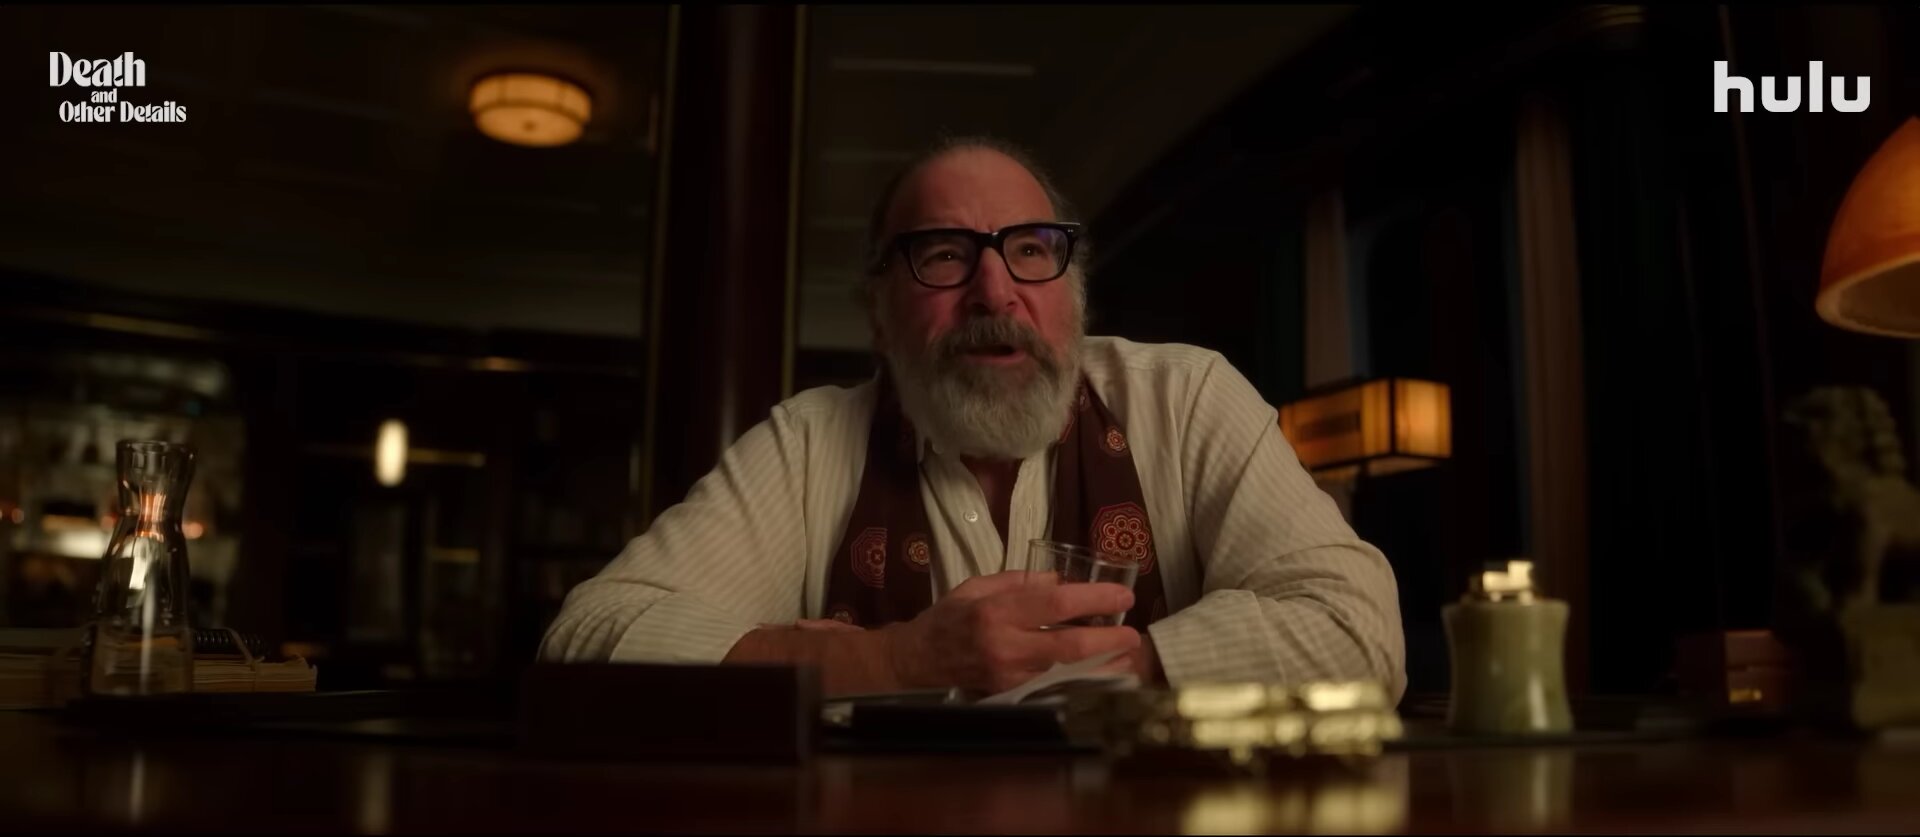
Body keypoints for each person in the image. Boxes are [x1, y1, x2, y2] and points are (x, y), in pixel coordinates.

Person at [540, 135, 1406, 701]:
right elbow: (585, 643)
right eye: (945, 254)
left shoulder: (1189, 399)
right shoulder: (806, 443)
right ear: (880, 315)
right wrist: (896, 660)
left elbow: (1359, 632)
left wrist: (1113, 663)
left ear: (1073, 296)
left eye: (1030, 249)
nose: (996, 292)